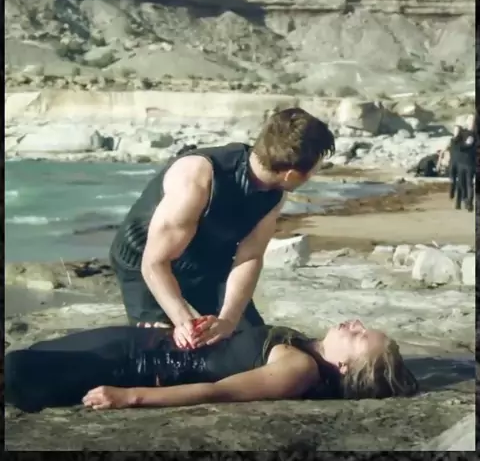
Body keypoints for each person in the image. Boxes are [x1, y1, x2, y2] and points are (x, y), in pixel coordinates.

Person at [109, 108, 335, 348]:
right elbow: (154, 262)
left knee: (251, 342)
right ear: (291, 174)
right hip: (144, 260)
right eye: (314, 170)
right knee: (170, 348)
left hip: (205, 261)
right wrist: (184, 321)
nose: (314, 174)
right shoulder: (196, 178)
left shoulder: (274, 193)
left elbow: (250, 256)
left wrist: (228, 320)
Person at [5, 318, 418, 413]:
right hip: (146, 342)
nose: (355, 323)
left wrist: (130, 397)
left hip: (135, 365)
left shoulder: (299, 369)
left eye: (361, 336)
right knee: (33, 356)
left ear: (345, 367)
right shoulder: (304, 346)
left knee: (19, 373)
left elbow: (217, 391)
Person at [447, 118, 476, 211]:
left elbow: (467, 145)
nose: (472, 124)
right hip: (460, 163)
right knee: (462, 184)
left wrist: (461, 145)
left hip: (469, 163)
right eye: (470, 121)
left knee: (469, 184)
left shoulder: (474, 134)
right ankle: (463, 200)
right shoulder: (462, 134)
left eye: (473, 122)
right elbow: (455, 141)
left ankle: (469, 203)